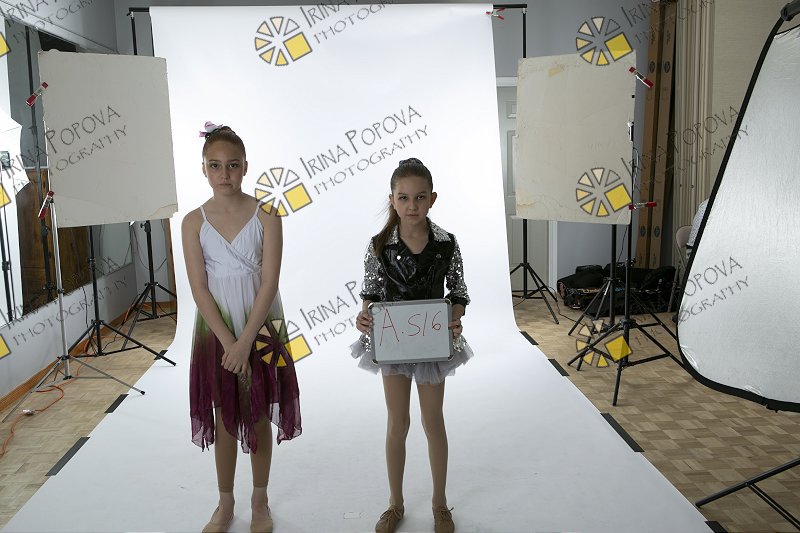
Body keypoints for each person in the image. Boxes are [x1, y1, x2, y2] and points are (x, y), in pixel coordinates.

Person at [182, 122, 301, 533]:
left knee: (260, 409)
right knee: (223, 413)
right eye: (215, 166)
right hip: (216, 328)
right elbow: (199, 288)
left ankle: (260, 498)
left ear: (245, 167)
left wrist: (245, 341)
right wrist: (228, 342)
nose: (224, 174)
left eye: (232, 165)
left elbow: (269, 282)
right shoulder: (193, 222)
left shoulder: (267, 215)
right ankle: (225, 501)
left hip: (261, 325)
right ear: (204, 169)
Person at [351, 158, 473, 533]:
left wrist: (455, 316)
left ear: (432, 198)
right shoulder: (379, 246)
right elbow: (371, 294)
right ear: (392, 199)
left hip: (432, 343)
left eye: (420, 197)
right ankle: (395, 503)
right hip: (394, 344)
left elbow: (459, 292)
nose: (412, 205)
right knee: (397, 422)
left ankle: (440, 503)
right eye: (403, 197)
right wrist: (364, 316)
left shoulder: (446, 244)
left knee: (433, 421)